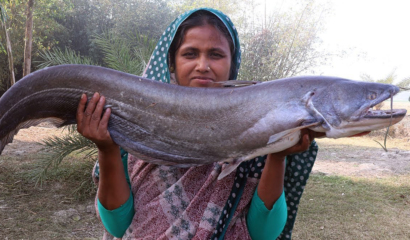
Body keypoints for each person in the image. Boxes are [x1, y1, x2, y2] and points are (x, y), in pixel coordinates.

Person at [76, 8, 320, 240]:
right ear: (171, 62)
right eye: (190, 54)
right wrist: (107, 149)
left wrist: (276, 155)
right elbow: (118, 224)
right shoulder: (135, 124)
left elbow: (263, 232)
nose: (203, 66)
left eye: (216, 54)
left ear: (232, 64)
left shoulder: (260, 129)